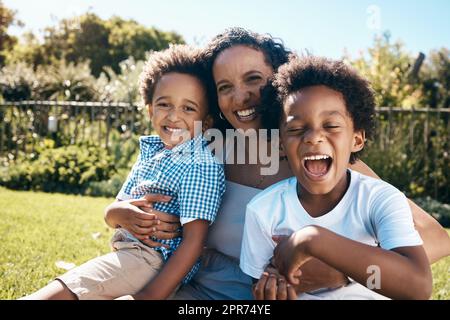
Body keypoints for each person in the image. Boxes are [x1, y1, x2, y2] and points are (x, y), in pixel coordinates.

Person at [22, 44, 225, 300]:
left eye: (188, 108)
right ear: (151, 110)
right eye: (164, 104)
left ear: (205, 122)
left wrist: (150, 296)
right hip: (127, 255)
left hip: (152, 262)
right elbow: (113, 213)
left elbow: (194, 242)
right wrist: (120, 213)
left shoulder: (200, 163)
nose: (174, 116)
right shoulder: (150, 153)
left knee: (63, 291)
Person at [240, 55, 432, 300]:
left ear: (357, 140)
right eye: (297, 129)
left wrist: (311, 240)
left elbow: (418, 287)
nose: (313, 137)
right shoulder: (263, 211)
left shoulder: (380, 199)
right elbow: (260, 288)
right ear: (280, 144)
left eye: (331, 125)